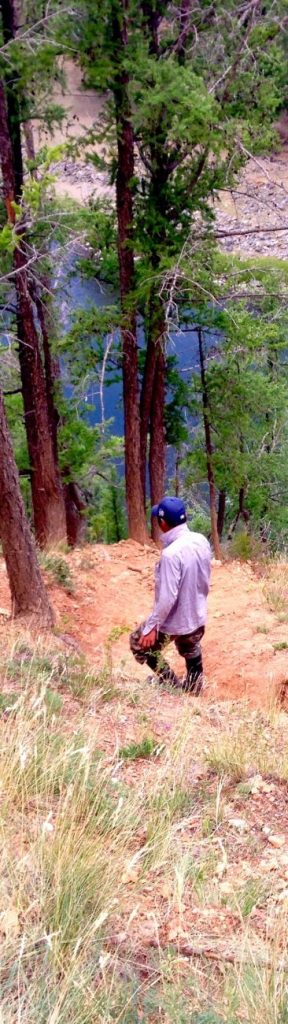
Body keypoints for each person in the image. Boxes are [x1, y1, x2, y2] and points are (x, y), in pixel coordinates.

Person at [130, 496, 211, 693]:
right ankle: (194, 690)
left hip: (175, 619)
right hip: (197, 613)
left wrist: (151, 626)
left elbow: (167, 598)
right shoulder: (201, 540)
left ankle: (171, 685)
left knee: (139, 643)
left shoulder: (171, 554)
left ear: (163, 523)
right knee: (190, 646)